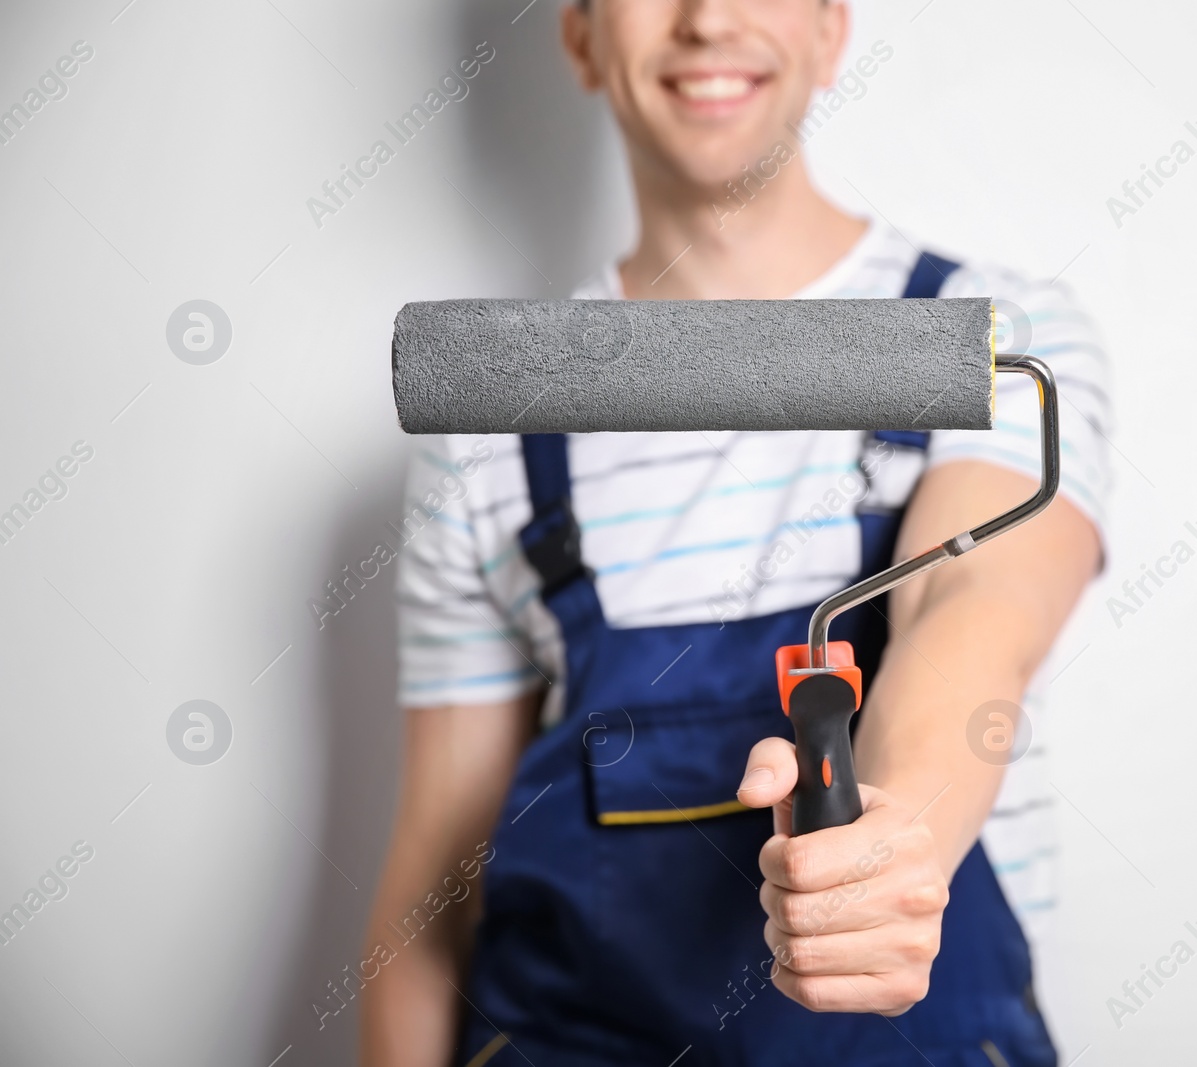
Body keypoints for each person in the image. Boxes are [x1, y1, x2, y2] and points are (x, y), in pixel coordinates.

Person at [361, 1, 1111, 1064]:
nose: (707, 18)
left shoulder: (989, 339)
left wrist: (889, 851)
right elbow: (433, 875)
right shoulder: (493, 423)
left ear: (828, 29)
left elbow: (973, 609)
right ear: (580, 39)